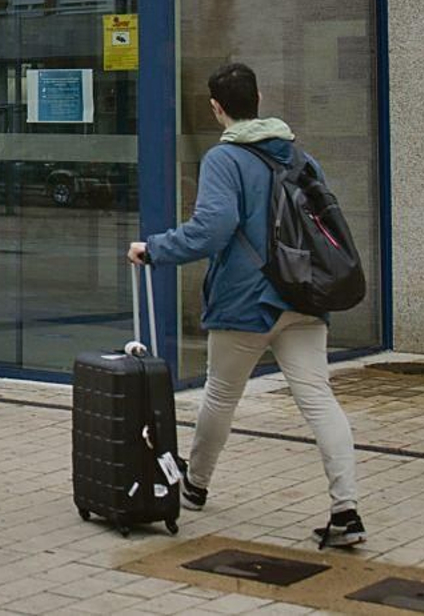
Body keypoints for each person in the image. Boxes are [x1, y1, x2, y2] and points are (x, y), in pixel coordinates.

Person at [127, 63, 364, 549]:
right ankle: (346, 509)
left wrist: (154, 249)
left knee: (220, 395)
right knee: (319, 399)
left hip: (246, 302)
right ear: (258, 99)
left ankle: (195, 485)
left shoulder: (224, 159)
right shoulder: (301, 157)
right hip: (303, 295)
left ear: (217, 108)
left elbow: (212, 229)